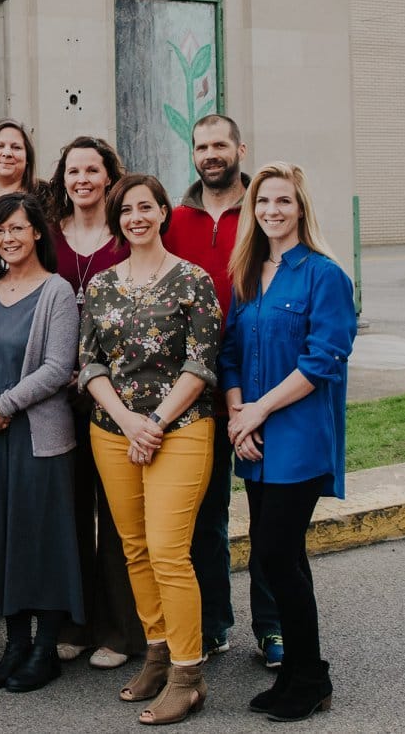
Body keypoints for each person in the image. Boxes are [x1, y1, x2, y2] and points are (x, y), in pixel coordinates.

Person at [80, 174, 224, 726]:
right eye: (126, 210)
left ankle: (189, 675)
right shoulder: (102, 285)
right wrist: (126, 420)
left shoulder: (193, 281)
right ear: (117, 220)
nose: (136, 217)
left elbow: (201, 363)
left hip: (181, 427)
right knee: (135, 548)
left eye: (146, 207)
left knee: (168, 551)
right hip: (112, 428)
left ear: (164, 212)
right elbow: (88, 362)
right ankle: (158, 654)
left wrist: (155, 423)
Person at [220, 163, 357, 723]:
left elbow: (322, 360)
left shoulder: (324, 275)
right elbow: (229, 353)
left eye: (283, 201)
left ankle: (313, 676)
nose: (272, 210)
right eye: (263, 202)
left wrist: (259, 411)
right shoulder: (248, 274)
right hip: (253, 435)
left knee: (277, 557)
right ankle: (299, 676)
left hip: (297, 437)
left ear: (301, 208)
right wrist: (238, 419)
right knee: (279, 559)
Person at [161, 114, 282, 665]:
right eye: (202, 146)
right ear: (192, 153)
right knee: (204, 517)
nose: (211, 154)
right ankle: (213, 623)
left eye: (220, 145)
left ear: (240, 148)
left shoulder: (263, 211)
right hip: (195, 392)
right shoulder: (174, 219)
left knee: (269, 514)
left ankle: (274, 626)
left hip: (260, 387)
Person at [0, 193, 83, 695]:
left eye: (17, 229)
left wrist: (3, 406)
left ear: (36, 234)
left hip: (36, 437)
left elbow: (57, 367)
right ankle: (13, 646)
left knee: (40, 538)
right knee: (0, 538)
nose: (7, 238)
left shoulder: (57, 291)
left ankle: (44, 649)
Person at [46, 136, 147, 671]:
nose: (82, 179)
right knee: (69, 509)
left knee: (117, 514)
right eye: (72, 170)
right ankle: (74, 622)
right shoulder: (49, 236)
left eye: (92, 170)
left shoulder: (128, 234)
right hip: (57, 395)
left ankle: (121, 629)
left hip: (117, 394)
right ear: (63, 179)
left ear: (111, 176)